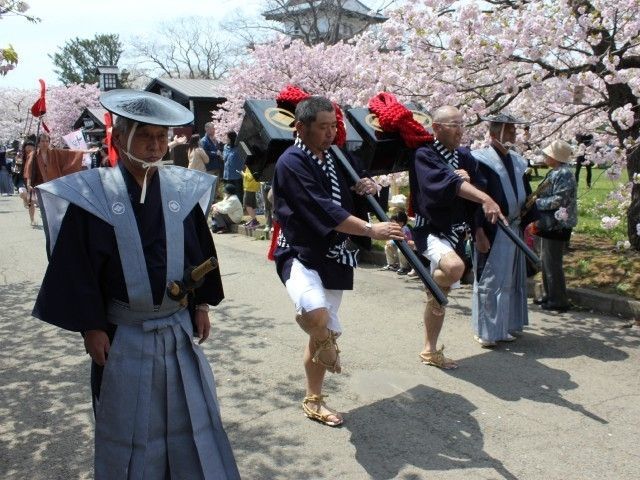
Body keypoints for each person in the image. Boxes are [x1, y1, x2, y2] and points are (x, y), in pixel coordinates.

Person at [32, 89, 239, 479]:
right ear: (120, 138)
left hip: (176, 325)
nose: (155, 146)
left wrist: (201, 304)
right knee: (128, 424)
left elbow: (199, 251)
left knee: (189, 414)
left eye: (161, 137)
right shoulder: (92, 196)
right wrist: (91, 327)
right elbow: (78, 269)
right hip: (121, 330)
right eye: (144, 136)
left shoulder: (181, 189)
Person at [272, 96, 404, 427]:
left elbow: (358, 193)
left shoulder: (338, 157)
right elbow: (322, 207)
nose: (330, 133)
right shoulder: (291, 162)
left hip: (334, 255)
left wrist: (367, 186)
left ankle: (313, 399)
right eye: (323, 127)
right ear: (300, 127)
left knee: (321, 328)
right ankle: (324, 339)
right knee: (316, 313)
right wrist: (370, 229)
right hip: (299, 254)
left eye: (333, 126)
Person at [409, 106, 504, 362]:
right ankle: (433, 284)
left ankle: (429, 349)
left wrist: (478, 230)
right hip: (430, 229)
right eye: (454, 125)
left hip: (457, 231)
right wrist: (465, 185)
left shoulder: (464, 155)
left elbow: (474, 190)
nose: (460, 131)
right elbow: (442, 186)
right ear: (437, 128)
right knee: (454, 268)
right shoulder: (424, 154)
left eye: (462, 125)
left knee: (441, 295)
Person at [471, 113, 538, 347]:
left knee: (510, 279)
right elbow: (476, 199)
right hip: (493, 228)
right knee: (490, 280)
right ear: (493, 133)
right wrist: (478, 231)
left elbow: (526, 192)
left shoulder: (518, 161)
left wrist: (529, 216)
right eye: (508, 130)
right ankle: (486, 331)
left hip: (515, 227)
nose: (513, 133)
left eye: (513, 130)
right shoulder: (480, 160)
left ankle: (505, 326)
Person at [533, 140, 577, 312]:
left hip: (557, 224)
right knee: (546, 261)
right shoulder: (556, 171)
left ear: (555, 156)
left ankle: (558, 300)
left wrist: (536, 203)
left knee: (552, 262)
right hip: (549, 222)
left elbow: (560, 199)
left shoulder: (564, 173)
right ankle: (549, 295)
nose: (545, 156)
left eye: (548, 154)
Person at [222, 130, 244, 197]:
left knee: (238, 195)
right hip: (227, 175)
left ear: (230, 138)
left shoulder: (239, 148)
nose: (225, 138)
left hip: (236, 176)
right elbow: (224, 158)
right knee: (228, 195)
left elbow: (242, 161)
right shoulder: (225, 147)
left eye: (227, 137)